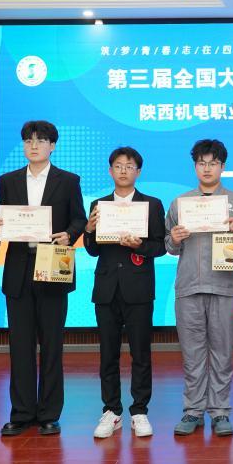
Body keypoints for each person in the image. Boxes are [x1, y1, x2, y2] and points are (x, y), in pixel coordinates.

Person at [0, 121, 86, 437]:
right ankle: (21, 413)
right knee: (20, 346)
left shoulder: (68, 180)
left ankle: (49, 414)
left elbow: (79, 218)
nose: (34, 146)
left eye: (41, 140)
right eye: (28, 141)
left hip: (53, 263)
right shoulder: (9, 181)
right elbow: (2, 219)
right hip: (18, 267)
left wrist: (69, 234)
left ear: (52, 146)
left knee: (52, 344)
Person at [165, 139, 233, 437]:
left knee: (222, 351)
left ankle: (220, 411)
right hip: (189, 286)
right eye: (201, 163)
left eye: (213, 163)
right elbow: (169, 245)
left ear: (222, 166)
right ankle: (193, 410)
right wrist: (175, 238)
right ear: (195, 166)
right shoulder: (180, 203)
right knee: (192, 353)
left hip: (225, 285)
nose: (207, 169)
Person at [83, 147, 166, 439]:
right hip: (106, 288)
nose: (123, 170)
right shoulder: (99, 204)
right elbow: (93, 250)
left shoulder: (151, 205)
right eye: (118, 166)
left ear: (138, 172)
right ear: (110, 171)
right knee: (108, 353)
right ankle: (112, 410)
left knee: (141, 352)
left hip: (139, 288)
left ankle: (140, 410)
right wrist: (89, 229)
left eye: (129, 166)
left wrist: (138, 246)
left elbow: (160, 246)